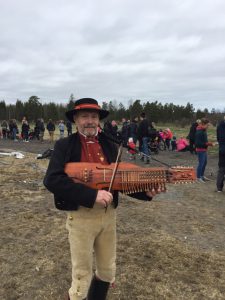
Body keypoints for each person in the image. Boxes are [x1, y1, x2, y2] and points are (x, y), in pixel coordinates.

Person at [44, 98, 156, 300]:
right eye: (84, 116)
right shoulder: (64, 145)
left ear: (99, 120)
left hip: (108, 217)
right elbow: (52, 180)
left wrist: (144, 193)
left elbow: (119, 181)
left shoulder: (110, 144)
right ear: (76, 120)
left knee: (107, 270)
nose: (89, 121)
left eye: (94, 117)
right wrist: (92, 195)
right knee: (81, 275)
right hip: (80, 217)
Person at [195, 118, 214, 183]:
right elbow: (198, 143)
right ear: (203, 124)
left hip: (204, 149)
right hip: (200, 150)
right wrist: (209, 144)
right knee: (201, 163)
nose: (208, 126)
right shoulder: (199, 132)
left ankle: (202, 176)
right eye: (207, 125)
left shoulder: (203, 130)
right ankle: (198, 177)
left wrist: (208, 143)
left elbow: (203, 141)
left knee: (204, 163)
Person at [216, 116, 225, 192]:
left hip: (222, 149)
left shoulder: (219, 126)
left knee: (221, 168)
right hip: (222, 148)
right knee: (221, 169)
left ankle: (219, 188)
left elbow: (218, 138)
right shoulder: (220, 126)